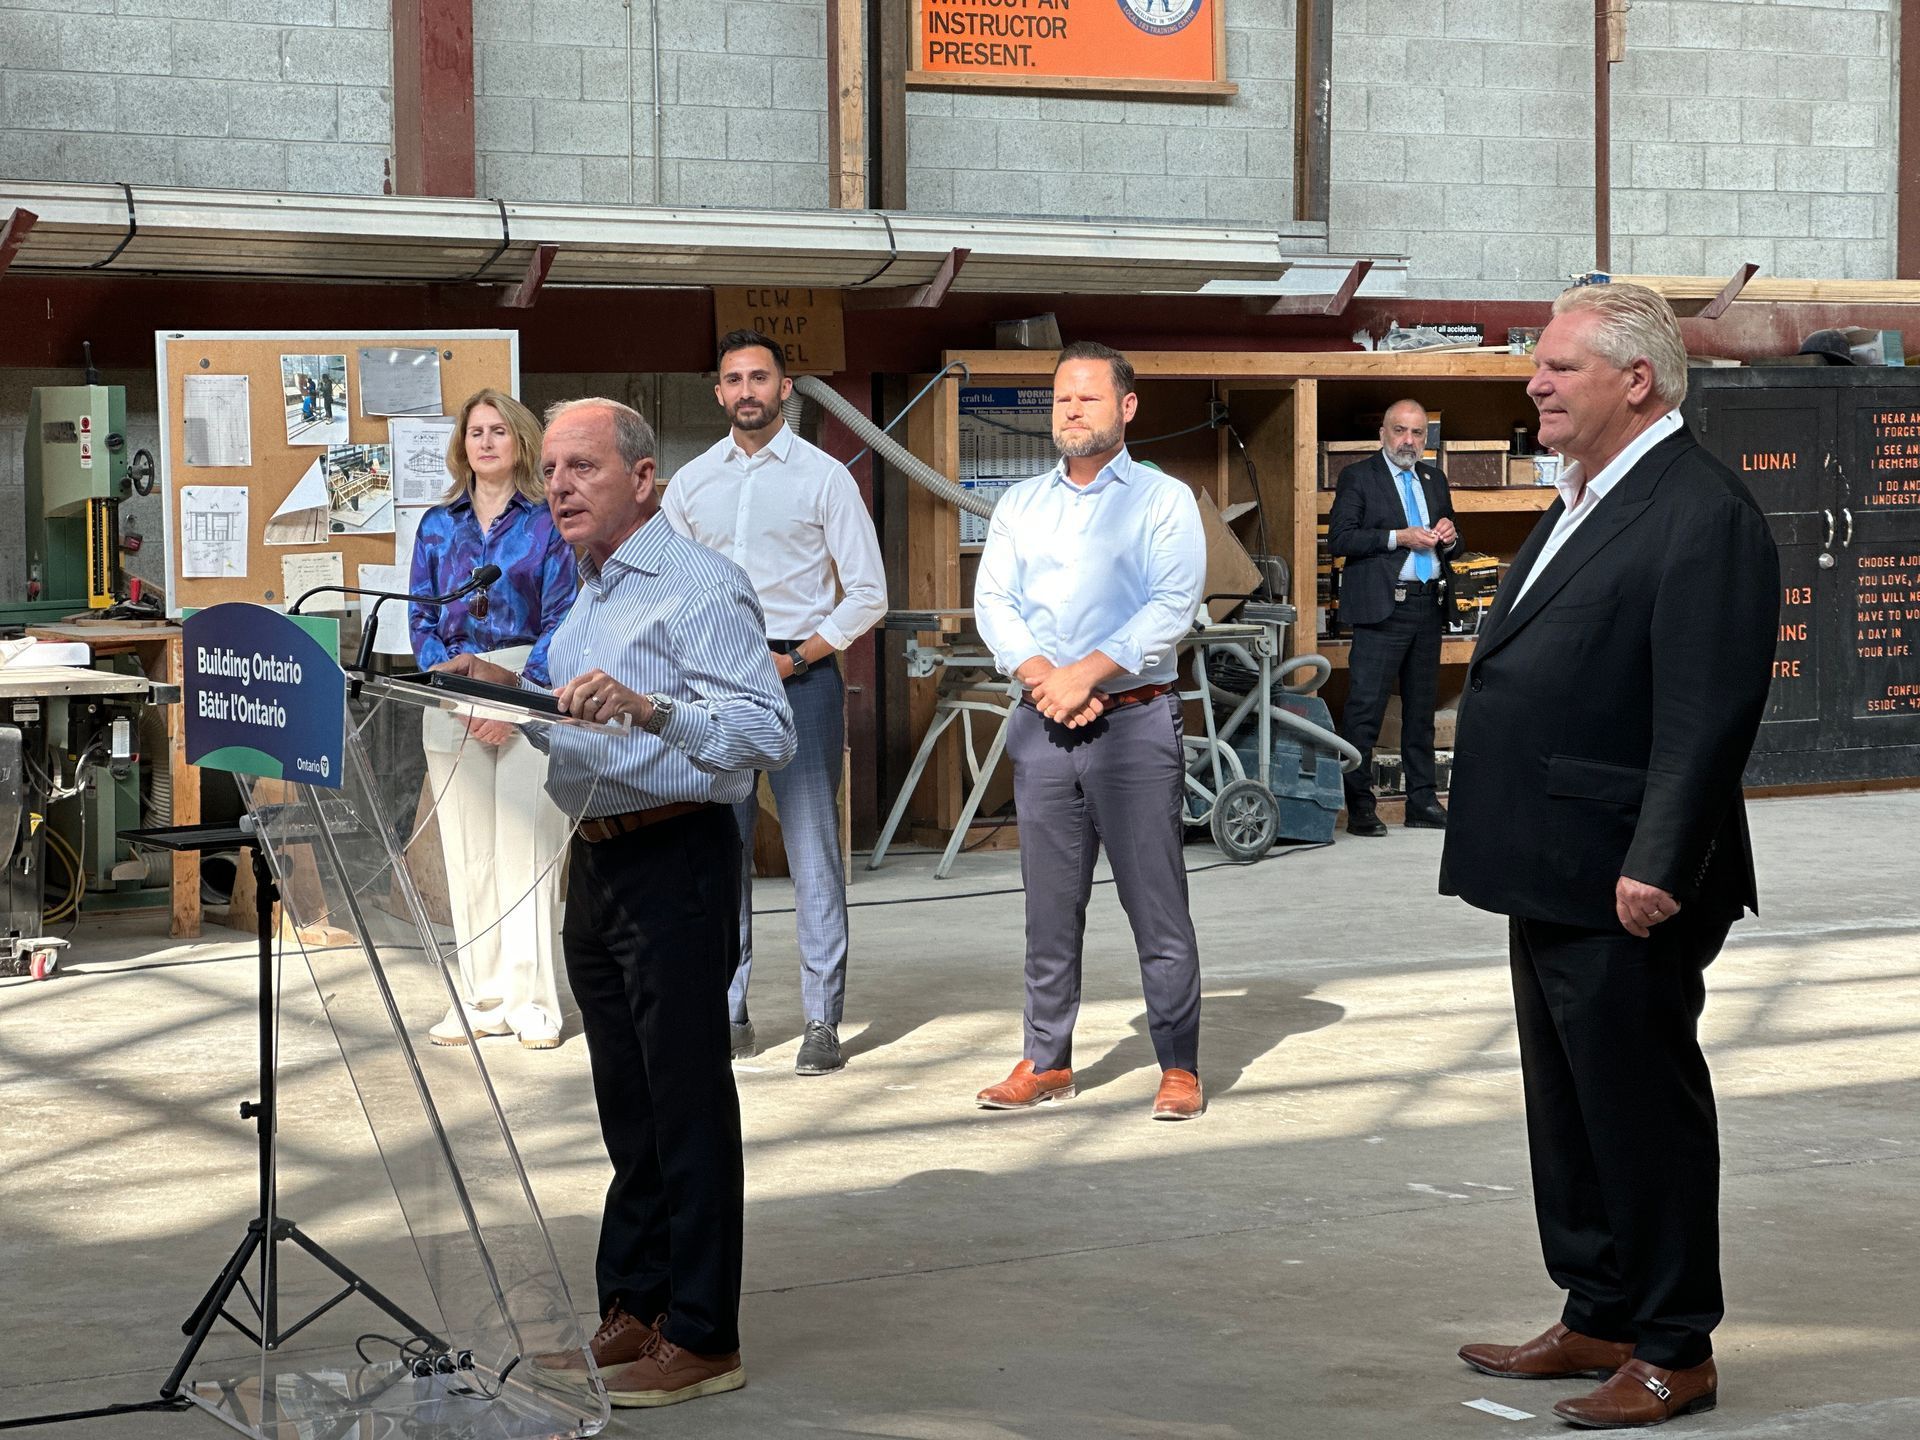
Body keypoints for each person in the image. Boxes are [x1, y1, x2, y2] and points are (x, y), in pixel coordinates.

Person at [1441, 283, 1778, 1429]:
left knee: (1641, 1107)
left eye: (1557, 367)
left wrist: (1659, 862)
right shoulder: (1586, 496)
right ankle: (1601, 1307)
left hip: (1627, 871)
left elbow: (1707, 711)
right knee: (1571, 1102)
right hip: (1550, 856)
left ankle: (1676, 1346)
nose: (1535, 383)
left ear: (1636, 380)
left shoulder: (1701, 512)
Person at [442, 398, 794, 1409]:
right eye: (550, 469)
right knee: (627, 1110)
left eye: (581, 468)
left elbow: (765, 734)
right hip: (595, 861)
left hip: (674, 855)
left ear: (646, 479)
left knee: (684, 1105)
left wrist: (651, 706)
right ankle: (634, 1307)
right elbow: (581, 732)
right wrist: (515, 696)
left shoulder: (697, 586)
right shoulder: (584, 598)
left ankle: (703, 1333)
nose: (557, 487)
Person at [971, 341, 1209, 1121]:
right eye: (1062, 399)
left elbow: (1172, 606)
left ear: (1127, 408)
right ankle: (1046, 1060)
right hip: (1043, 724)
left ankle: (1178, 1064)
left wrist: (1087, 674)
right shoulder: (1019, 505)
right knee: (1048, 907)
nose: (1071, 410)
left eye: (1089, 398)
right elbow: (995, 605)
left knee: (1156, 905)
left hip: (1135, 726)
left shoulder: (1164, 499)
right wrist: (1049, 679)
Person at [663, 329, 887, 1077]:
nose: (748, 390)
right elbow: (667, 588)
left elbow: (868, 596)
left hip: (801, 684)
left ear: (786, 388)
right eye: (734, 379)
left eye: (761, 377)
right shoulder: (690, 485)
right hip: (712, 693)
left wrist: (793, 658)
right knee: (715, 854)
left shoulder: (826, 479)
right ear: (720, 393)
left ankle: (823, 1021)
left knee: (813, 852)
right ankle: (729, 1012)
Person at [409, 389, 576, 1050]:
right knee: (469, 858)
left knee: (525, 852)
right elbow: (420, 618)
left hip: (527, 685)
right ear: (462, 444)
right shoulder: (436, 526)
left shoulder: (549, 524)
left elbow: (565, 621)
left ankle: (533, 1002)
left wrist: (516, 697)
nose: (485, 442)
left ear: (521, 442)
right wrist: (457, 690)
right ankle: (481, 998)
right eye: (475, 431)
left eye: (498, 430)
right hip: (452, 692)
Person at [1326, 398, 1460, 836]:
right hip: (1384, 607)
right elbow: (1341, 539)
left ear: (1426, 438)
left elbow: (1450, 542)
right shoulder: (1358, 477)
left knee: (1420, 710)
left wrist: (1451, 539)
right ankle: (1361, 804)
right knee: (1366, 709)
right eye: (1400, 431)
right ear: (1383, 434)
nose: (1409, 440)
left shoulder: (1434, 479)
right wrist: (1397, 537)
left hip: (1427, 604)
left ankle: (1422, 801)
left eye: (1417, 432)